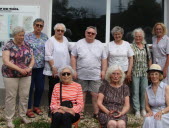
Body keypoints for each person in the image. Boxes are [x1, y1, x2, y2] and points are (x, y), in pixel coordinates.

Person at [1, 26, 34, 128]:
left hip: (26, 74)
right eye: (20, 35)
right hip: (11, 75)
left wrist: (30, 68)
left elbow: (33, 59)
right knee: (11, 97)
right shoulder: (8, 45)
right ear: (14, 35)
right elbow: (6, 61)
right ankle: (9, 119)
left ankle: (22, 116)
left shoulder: (28, 44)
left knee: (24, 96)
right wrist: (20, 69)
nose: (22, 37)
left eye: (23, 35)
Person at [71, 26, 107, 118]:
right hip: (81, 74)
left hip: (96, 74)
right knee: (81, 94)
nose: (90, 34)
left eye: (92, 33)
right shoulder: (79, 43)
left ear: (95, 34)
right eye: (88, 32)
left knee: (95, 94)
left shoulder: (100, 44)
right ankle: (80, 112)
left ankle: (96, 113)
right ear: (85, 33)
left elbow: (104, 59)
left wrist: (103, 71)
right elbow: (73, 57)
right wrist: (74, 70)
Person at [43, 23, 72, 116]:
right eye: (58, 30)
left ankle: (62, 108)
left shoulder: (66, 40)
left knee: (63, 90)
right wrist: (53, 67)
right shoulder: (50, 41)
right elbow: (48, 55)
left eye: (62, 31)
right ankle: (52, 109)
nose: (60, 32)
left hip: (64, 71)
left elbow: (69, 51)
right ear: (54, 31)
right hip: (54, 71)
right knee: (53, 90)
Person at [24, 18, 48, 118]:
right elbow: (23, 50)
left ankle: (36, 106)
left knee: (40, 88)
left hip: (41, 67)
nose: (39, 27)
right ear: (33, 25)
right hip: (30, 67)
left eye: (41, 25)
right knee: (29, 88)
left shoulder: (45, 37)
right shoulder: (27, 36)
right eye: (37, 25)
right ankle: (28, 108)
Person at [131, 28, 152, 118]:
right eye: (136, 36)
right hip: (135, 72)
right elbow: (130, 59)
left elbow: (149, 59)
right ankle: (137, 110)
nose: (138, 38)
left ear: (142, 36)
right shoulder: (131, 46)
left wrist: (150, 71)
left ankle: (143, 109)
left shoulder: (146, 46)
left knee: (144, 91)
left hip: (144, 72)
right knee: (135, 91)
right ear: (134, 37)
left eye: (140, 36)